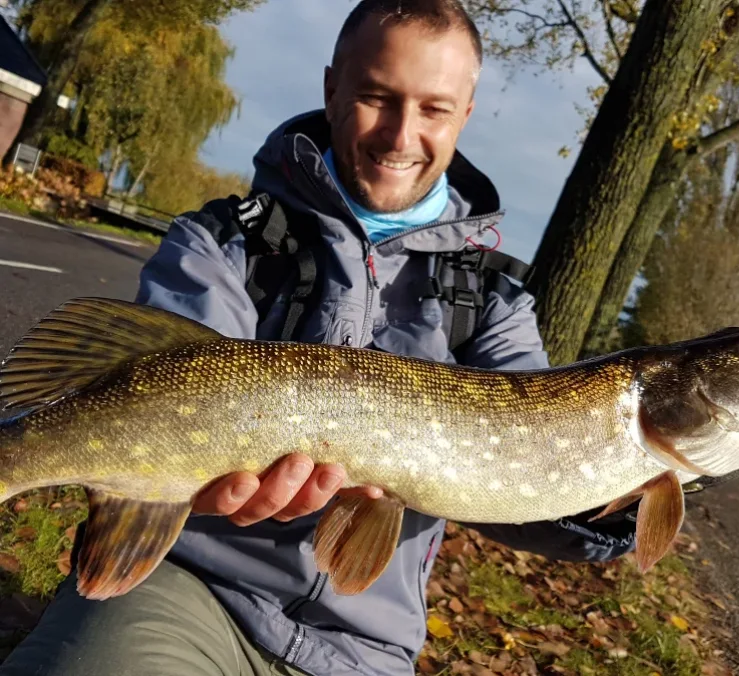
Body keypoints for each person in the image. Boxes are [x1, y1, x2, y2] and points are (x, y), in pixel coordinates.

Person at [0, 2, 638, 675]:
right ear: (332, 88)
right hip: (188, 589)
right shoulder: (226, 242)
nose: (401, 135)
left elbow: (528, 482)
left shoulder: (495, 302)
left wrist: (626, 489)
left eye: (434, 109)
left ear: (465, 115)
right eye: (376, 97)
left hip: (366, 646)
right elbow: (168, 377)